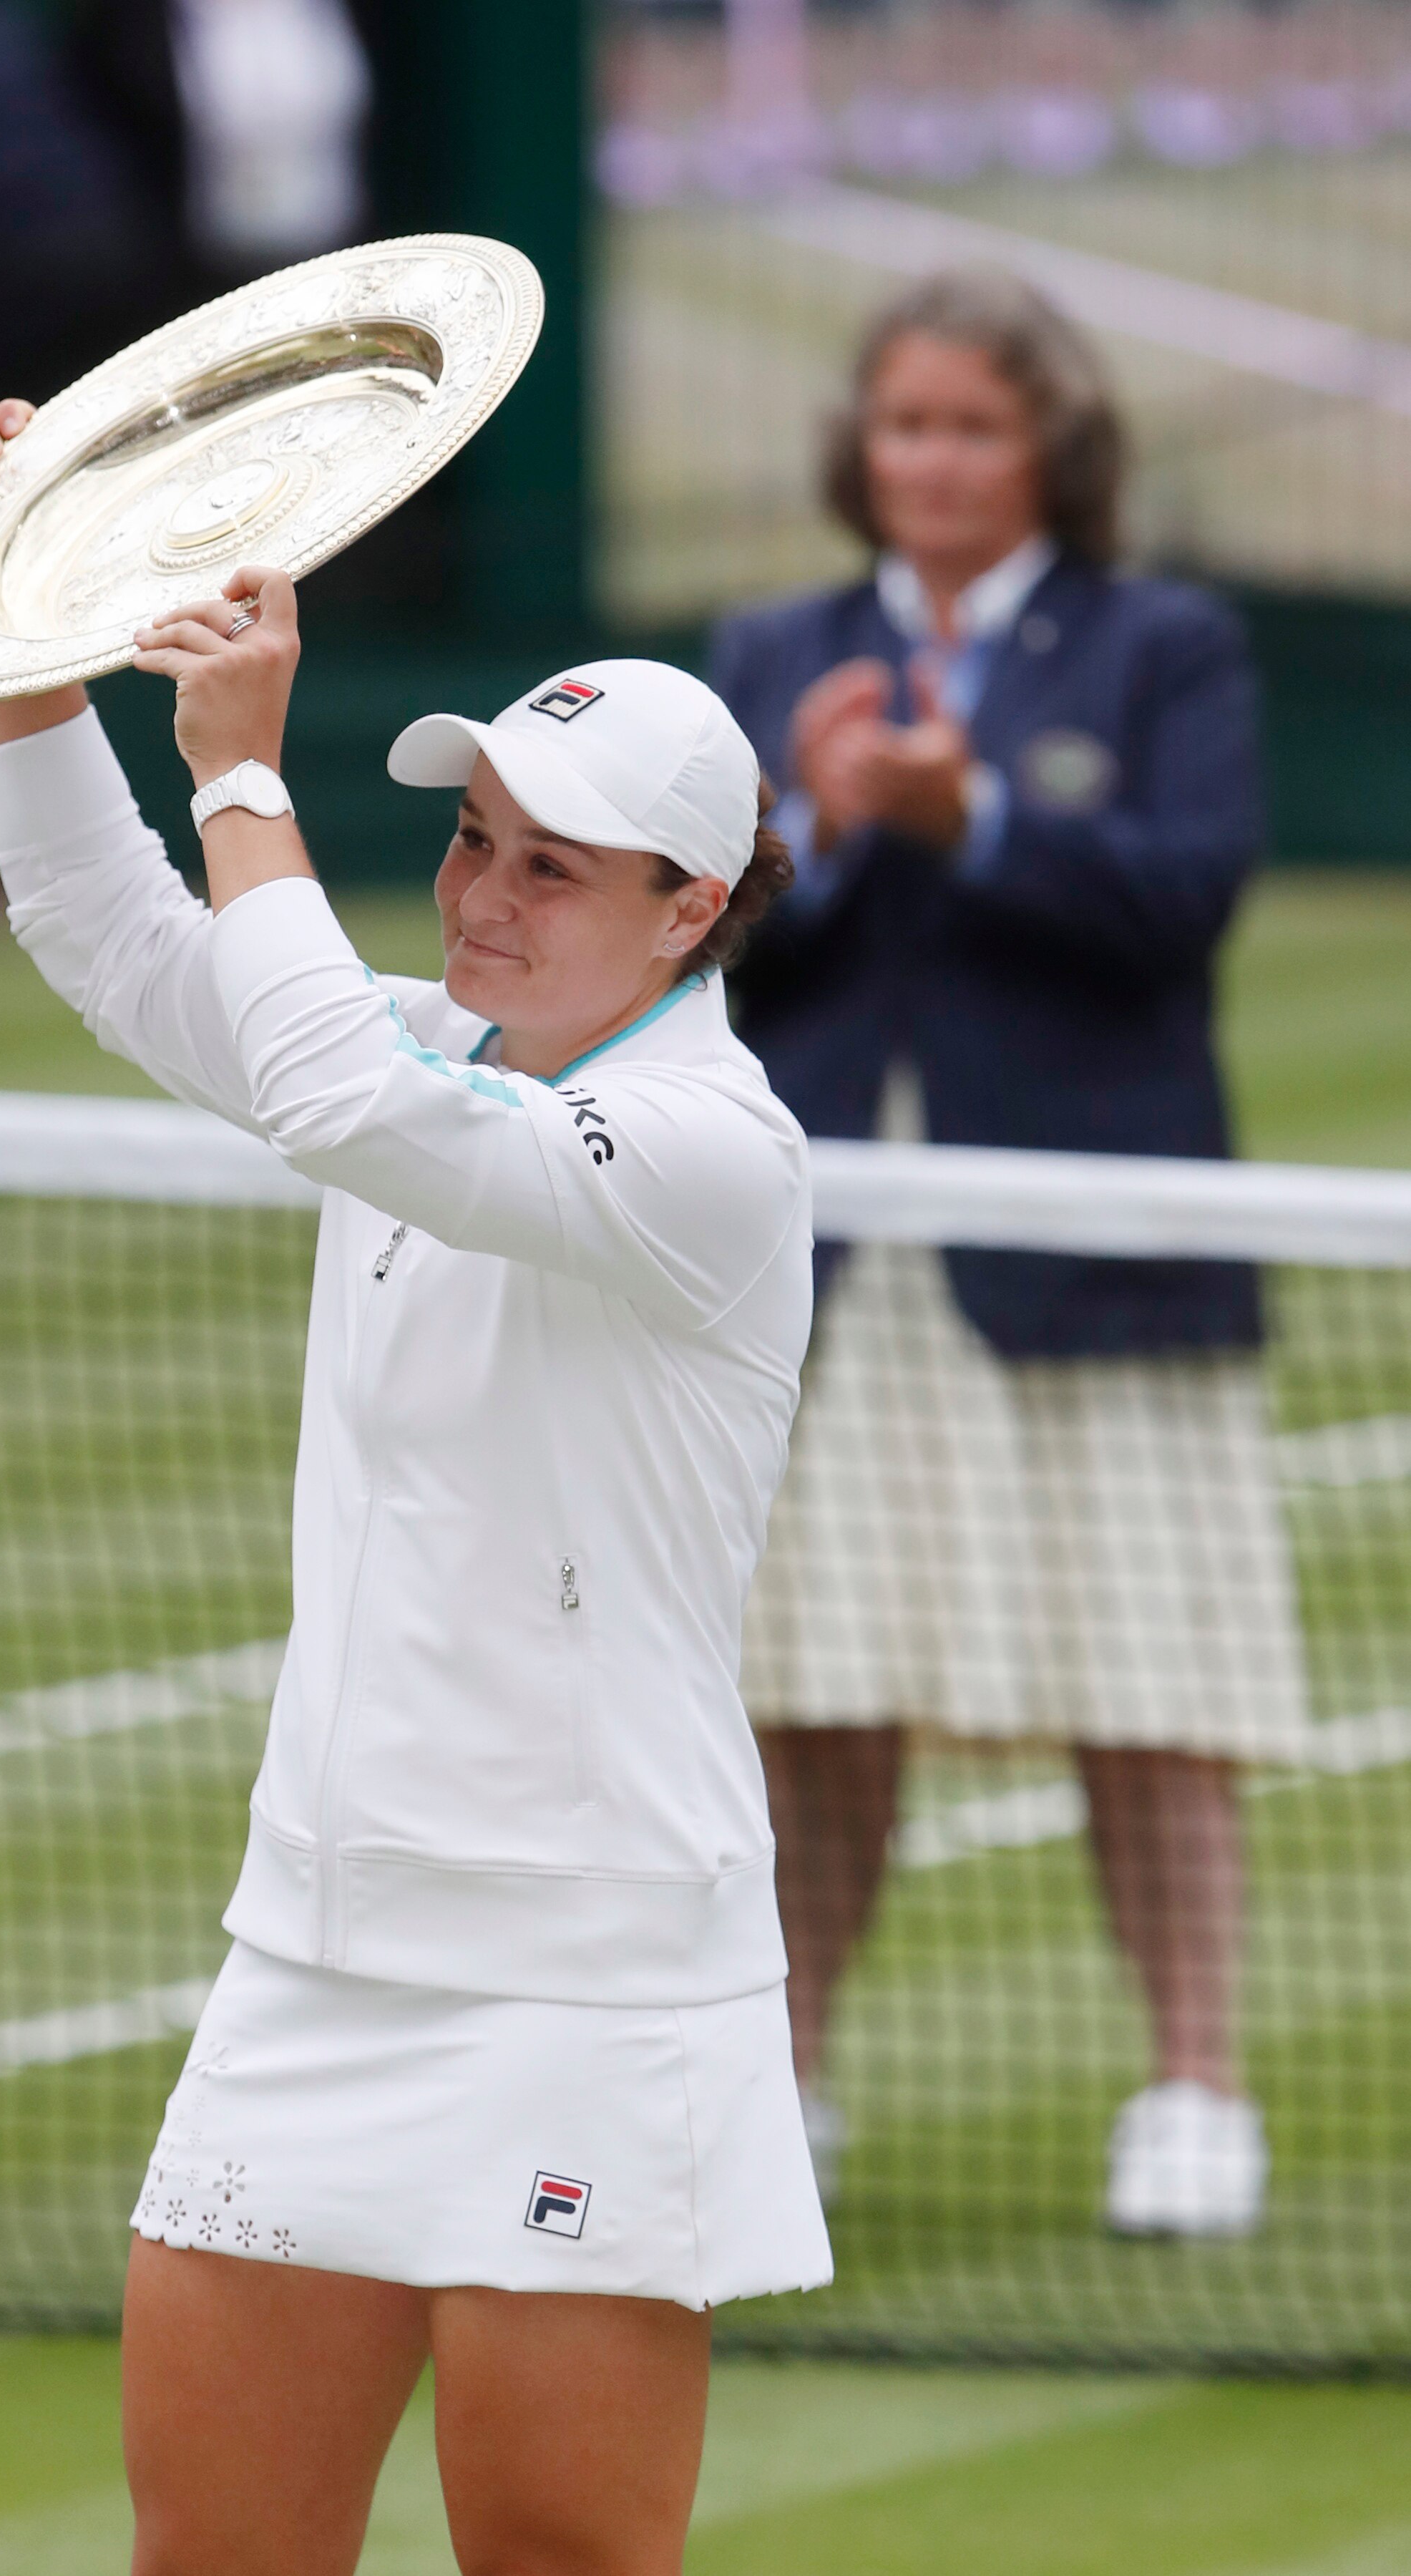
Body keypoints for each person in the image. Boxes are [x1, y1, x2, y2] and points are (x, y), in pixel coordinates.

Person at [0, 392, 829, 2575]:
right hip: (318, 1949)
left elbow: (325, 1086)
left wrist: (241, 763)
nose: (485, 896)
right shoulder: (431, 1060)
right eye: (472, 840)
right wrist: (26, 626)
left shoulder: (709, 1153)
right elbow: (102, 924)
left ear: (688, 908)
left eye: (551, 864)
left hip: (592, 1983)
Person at [711, 267, 1308, 2240]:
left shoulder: (1161, 648)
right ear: (857, 450)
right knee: (813, 1694)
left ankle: (1194, 2086)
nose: (934, 462)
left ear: (1046, 447)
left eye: (971, 426)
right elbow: (690, 937)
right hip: (828, 1258)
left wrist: (968, 818)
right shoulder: (769, 645)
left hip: (1088, 1250)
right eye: (904, 425)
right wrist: (809, 818)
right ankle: (778, 2081)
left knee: (1145, 1686)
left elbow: (1182, 900)